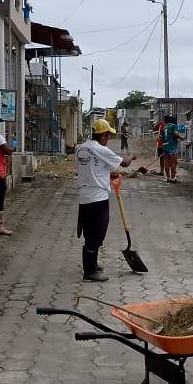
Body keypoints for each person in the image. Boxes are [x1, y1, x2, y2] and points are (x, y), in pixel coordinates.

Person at [76, 118, 136, 281]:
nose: (109, 139)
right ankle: (89, 272)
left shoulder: (81, 148)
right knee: (96, 233)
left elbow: (91, 170)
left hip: (85, 197)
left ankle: (93, 264)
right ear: (102, 135)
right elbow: (124, 163)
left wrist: (109, 174)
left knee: (90, 232)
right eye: (108, 135)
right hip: (98, 198)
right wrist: (131, 156)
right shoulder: (100, 149)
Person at [162, 115, 184, 182]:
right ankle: (173, 178)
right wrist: (181, 138)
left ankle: (168, 177)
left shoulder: (164, 128)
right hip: (172, 147)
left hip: (165, 146)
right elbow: (175, 133)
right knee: (173, 162)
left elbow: (161, 137)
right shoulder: (174, 126)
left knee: (166, 162)